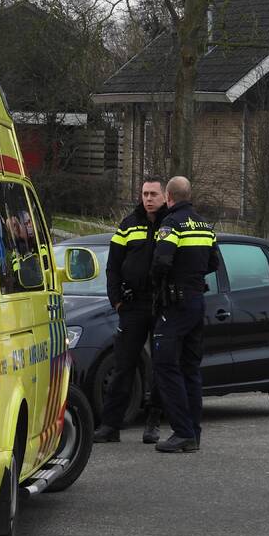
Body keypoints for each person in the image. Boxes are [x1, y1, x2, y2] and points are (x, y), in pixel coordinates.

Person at [93, 176, 169, 444]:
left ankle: (153, 424)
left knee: (160, 366)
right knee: (123, 365)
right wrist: (117, 300)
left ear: (164, 196)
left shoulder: (170, 224)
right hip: (133, 304)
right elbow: (113, 266)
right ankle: (110, 426)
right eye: (145, 193)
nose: (148, 198)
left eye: (153, 194)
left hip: (161, 304)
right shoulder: (128, 225)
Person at [150, 176, 220, 453]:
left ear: (169, 196)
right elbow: (214, 262)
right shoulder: (204, 225)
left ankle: (182, 432)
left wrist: (159, 287)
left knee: (166, 367)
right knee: (191, 368)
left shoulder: (171, 224)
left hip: (174, 304)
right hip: (196, 302)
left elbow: (160, 262)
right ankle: (194, 432)